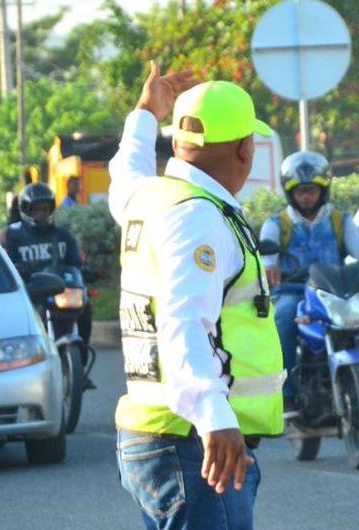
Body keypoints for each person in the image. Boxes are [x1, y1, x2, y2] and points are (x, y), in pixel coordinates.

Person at [108, 61, 283, 530]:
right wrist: (214, 418)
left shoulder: (149, 198)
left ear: (178, 145)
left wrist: (146, 114)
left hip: (161, 435)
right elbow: (183, 320)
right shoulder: (198, 216)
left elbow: (125, 172)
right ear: (245, 150)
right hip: (192, 442)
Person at [260, 151, 359, 414]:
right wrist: (270, 267)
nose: (306, 197)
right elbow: (267, 257)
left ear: (323, 190)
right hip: (296, 293)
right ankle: (286, 393)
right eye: (300, 191)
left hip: (334, 292)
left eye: (312, 190)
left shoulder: (339, 220)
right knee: (284, 316)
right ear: (290, 193)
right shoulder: (277, 224)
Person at [0, 183, 94, 386]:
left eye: (45, 208)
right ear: (26, 210)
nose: (41, 213)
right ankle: (18, 369)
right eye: (36, 209)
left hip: (60, 293)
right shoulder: (12, 236)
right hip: (30, 295)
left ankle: (81, 365)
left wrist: (88, 270)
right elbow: (3, 264)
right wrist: (19, 268)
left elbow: (76, 263)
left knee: (86, 308)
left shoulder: (63, 235)